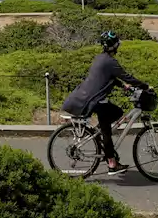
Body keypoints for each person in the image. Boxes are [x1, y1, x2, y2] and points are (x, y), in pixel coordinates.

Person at [61, 31, 150, 175]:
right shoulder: (110, 62)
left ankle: (100, 136)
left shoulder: (100, 58)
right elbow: (126, 76)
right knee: (108, 128)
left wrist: (123, 86)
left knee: (115, 115)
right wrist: (145, 86)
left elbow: (112, 78)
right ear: (114, 46)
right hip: (96, 99)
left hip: (90, 97)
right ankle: (112, 163)